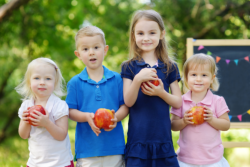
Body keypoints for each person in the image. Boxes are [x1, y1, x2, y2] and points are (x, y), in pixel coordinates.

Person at [121, 10, 182, 167]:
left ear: (162, 34)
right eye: (140, 33)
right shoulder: (129, 67)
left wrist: (161, 93)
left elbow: (178, 102)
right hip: (138, 141)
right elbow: (128, 101)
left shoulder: (170, 67)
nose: (146, 38)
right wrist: (137, 80)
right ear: (133, 35)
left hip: (163, 140)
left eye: (152, 33)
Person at [66, 25, 129, 167]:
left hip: (115, 149)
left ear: (105, 50)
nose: (91, 53)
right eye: (85, 49)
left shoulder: (117, 79)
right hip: (87, 152)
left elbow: (125, 106)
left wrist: (115, 118)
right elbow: (70, 111)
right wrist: (86, 117)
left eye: (96, 47)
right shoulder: (74, 83)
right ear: (78, 54)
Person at [171, 53, 230, 167]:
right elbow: (173, 125)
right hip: (186, 159)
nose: (198, 79)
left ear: (212, 78)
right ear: (187, 78)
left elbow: (226, 125)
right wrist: (184, 121)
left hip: (213, 160)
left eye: (204, 75)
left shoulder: (217, 101)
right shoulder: (180, 101)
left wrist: (211, 119)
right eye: (194, 74)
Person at [16, 58, 74, 167]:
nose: (42, 82)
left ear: (54, 82)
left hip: (60, 163)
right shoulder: (26, 106)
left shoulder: (59, 105)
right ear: (29, 82)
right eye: (37, 78)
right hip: (35, 163)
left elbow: (62, 135)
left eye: (48, 78)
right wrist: (25, 121)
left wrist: (47, 123)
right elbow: (23, 135)